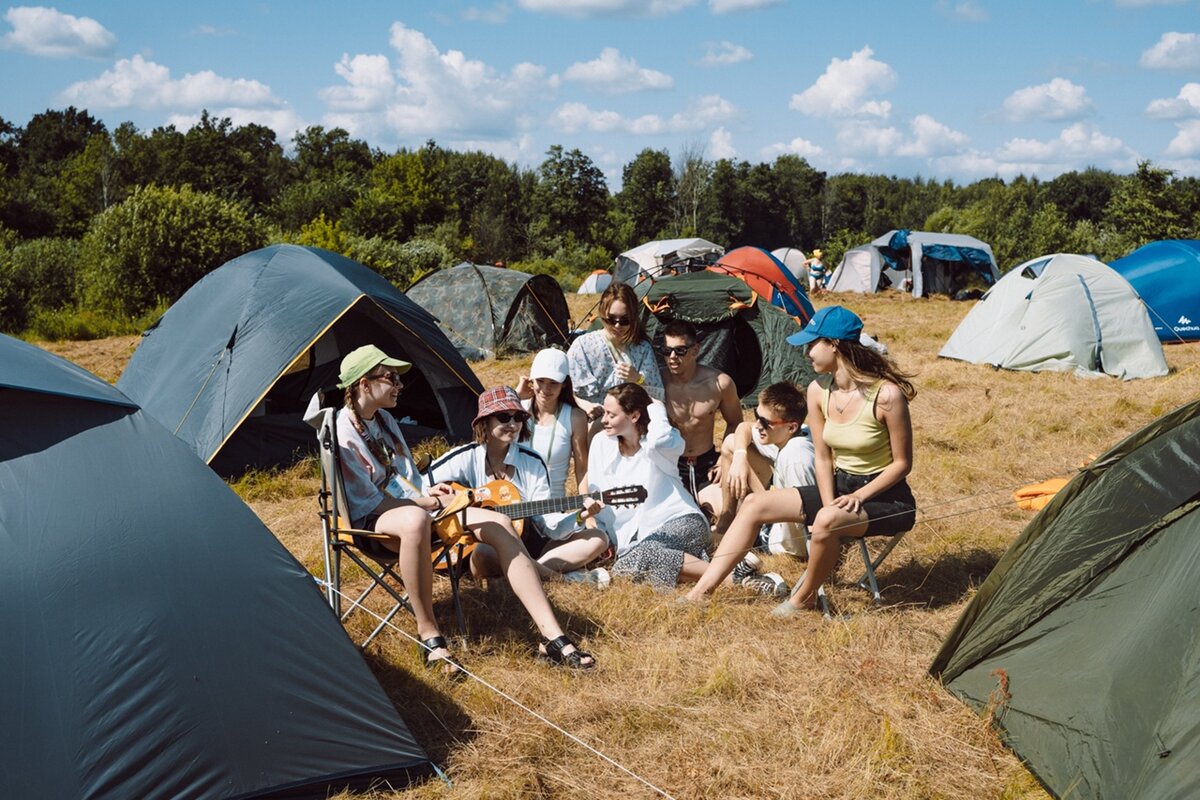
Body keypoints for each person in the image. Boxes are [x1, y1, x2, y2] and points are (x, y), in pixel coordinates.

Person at [337, 346, 595, 669]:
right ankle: (430, 635)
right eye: (391, 378)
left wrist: (428, 490)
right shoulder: (342, 430)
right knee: (416, 519)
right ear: (364, 384)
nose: (400, 386)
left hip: (417, 508)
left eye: (397, 379)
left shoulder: (386, 420)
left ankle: (553, 638)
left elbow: (406, 478)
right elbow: (367, 499)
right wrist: (419, 501)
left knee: (499, 521)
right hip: (374, 523)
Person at [696, 307, 917, 614]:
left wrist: (857, 497)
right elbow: (824, 458)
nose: (806, 351)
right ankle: (700, 592)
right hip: (841, 486)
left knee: (827, 520)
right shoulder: (818, 391)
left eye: (812, 344)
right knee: (754, 505)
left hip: (886, 497)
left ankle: (804, 598)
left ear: (835, 345)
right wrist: (829, 501)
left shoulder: (887, 395)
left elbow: (902, 464)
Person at [430, 384, 609, 585]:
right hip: (476, 549)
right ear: (485, 422)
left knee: (598, 537)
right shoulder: (465, 457)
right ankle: (559, 579)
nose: (513, 424)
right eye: (504, 417)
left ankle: (520, 576)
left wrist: (579, 515)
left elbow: (548, 524)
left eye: (519, 417)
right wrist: (434, 494)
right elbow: (417, 482)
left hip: (527, 542)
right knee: (485, 551)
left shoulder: (532, 462)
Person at [585, 382, 711, 589]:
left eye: (611, 415)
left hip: (680, 521)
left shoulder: (659, 445)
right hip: (636, 540)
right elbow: (597, 494)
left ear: (634, 416)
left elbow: (658, 441)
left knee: (648, 553)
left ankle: (733, 577)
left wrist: (657, 407)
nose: (604, 420)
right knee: (623, 569)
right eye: (604, 413)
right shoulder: (601, 443)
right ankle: (716, 567)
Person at [697, 381, 816, 556]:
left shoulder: (796, 459)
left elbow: (808, 518)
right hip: (775, 520)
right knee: (731, 444)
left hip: (781, 544)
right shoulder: (794, 432)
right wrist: (739, 456)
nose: (758, 425)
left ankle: (734, 530)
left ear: (791, 427)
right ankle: (727, 522)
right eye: (756, 416)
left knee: (707, 522)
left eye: (766, 422)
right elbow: (743, 428)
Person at [659, 320, 743, 498]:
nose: (672, 357)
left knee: (720, 511)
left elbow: (735, 423)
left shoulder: (720, 383)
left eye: (680, 351)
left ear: (695, 350)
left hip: (707, 464)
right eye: (667, 351)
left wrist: (724, 459)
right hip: (670, 464)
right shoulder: (658, 382)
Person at [567, 283, 663, 426]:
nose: (617, 326)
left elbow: (658, 397)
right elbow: (564, 391)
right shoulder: (582, 346)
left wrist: (638, 379)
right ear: (601, 314)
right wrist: (586, 406)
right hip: (589, 429)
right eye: (611, 319)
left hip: (630, 431)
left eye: (625, 320)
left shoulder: (642, 349)